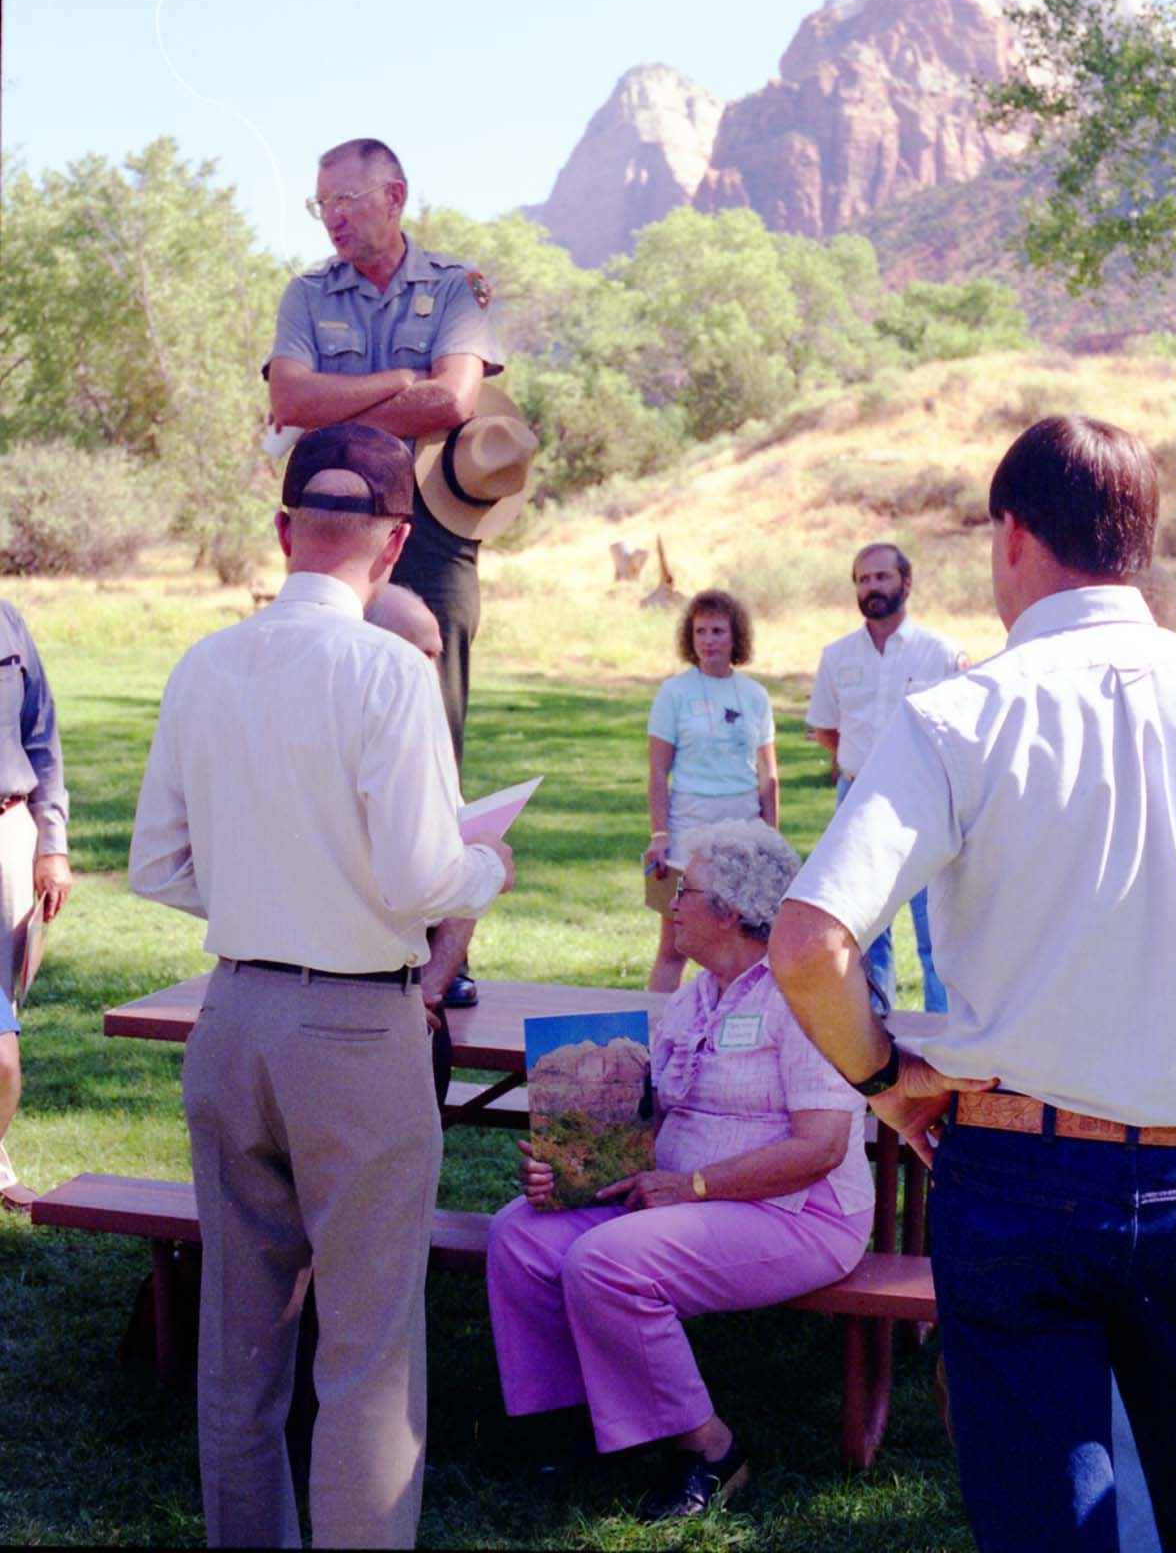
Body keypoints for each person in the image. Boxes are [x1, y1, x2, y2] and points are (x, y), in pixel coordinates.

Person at [768, 416, 1176, 1553]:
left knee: (1048, 1527)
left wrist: (883, 1078)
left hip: (1016, 1160)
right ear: (1139, 543)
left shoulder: (962, 712)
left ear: (1010, 537)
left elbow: (808, 944)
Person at [129, 424, 514, 1550]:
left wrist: (270, 892)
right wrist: (485, 861)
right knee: (367, 1351)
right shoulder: (390, 668)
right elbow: (417, 874)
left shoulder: (204, 662)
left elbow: (159, 862)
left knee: (240, 1345)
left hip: (233, 1011)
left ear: (287, 526)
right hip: (354, 1025)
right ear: (396, 545)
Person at [487, 819, 873, 1522]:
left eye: (683, 891)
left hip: (799, 1215)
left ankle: (710, 1449)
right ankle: (580, 1425)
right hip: (683, 1198)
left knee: (608, 1262)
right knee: (520, 1231)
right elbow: (651, 1121)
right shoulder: (698, 993)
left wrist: (691, 1186)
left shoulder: (804, 994)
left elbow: (821, 1149)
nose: (669, 904)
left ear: (727, 912)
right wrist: (569, 1171)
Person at [265, 136, 534, 1007]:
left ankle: (436, 953)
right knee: (321, 721)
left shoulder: (457, 286)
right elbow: (289, 401)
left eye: (346, 200)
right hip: (335, 534)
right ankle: (331, 928)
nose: (334, 218)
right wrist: (395, 382)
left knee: (435, 739)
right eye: (322, 205)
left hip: (438, 536)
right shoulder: (307, 293)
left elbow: (455, 400)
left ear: (395, 195)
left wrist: (349, 403)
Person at [807, 543, 966, 1010]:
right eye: (863, 579)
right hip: (855, 798)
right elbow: (827, 730)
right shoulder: (836, 657)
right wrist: (863, 769)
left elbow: (957, 736)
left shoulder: (940, 653)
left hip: (921, 804)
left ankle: (943, 1032)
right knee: (865, 927)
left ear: (906, 582)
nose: (872, 587)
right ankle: (875, 1028)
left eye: (882, 577)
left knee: (933, 926)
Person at [643, 590, 778, 991]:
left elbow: (768, 774)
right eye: (700, 631)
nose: (709, 640)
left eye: (718, 630)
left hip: (742, 830)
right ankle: (658, 1035)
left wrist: (769, 836)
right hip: (688, 828)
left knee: (746, 939)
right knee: (675, 945)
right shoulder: (674, 693)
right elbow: (656, 770)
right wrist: (659, 835)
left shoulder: (754, 695)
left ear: (736, 637)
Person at [0, 600, 73, 1210]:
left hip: (9, 830)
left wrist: (52, 846)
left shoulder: (7, 621)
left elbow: (41, 738)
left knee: (7, 1015)